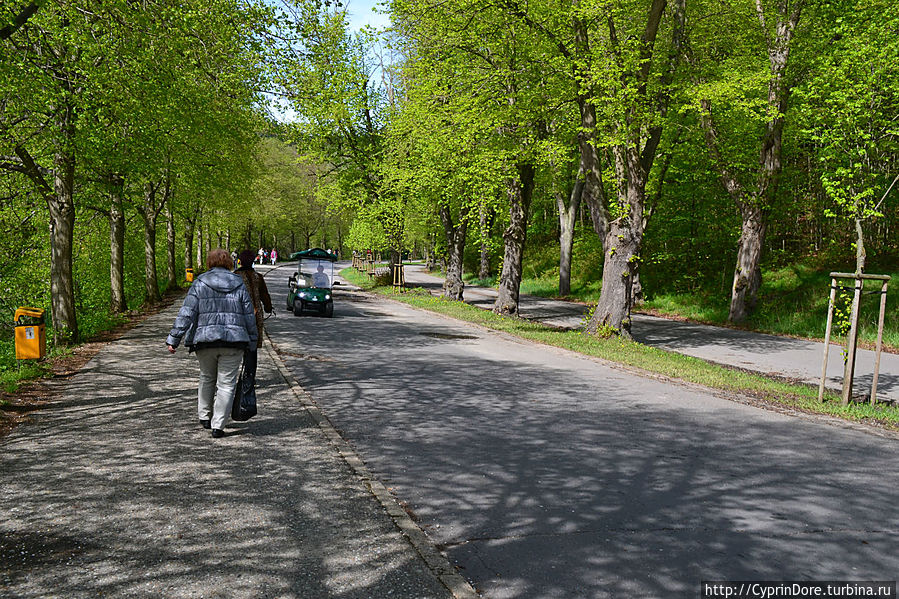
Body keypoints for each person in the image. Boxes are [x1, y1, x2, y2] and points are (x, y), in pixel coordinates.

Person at [166, 248, 257, 439]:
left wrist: (174, 338)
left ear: (209, 262)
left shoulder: (200, 282)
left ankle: (204, 416)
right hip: (234, 341)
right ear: (229, 263)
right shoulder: (239, 283)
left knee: (207, 378)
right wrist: (253, 341)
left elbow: (187, 312)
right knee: (227, 384)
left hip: (205, 339)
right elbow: (249, 316)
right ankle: (218, 425)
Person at [235, 249, 273, 397]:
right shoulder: (258, 277)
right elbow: (265, 295)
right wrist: (269, 307)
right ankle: (249, 378)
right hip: (255, 318)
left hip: (237, 318)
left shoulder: (235, 277)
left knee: (236, 348)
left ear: (240, 261)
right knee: (252, 350)